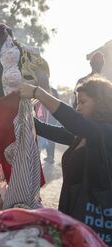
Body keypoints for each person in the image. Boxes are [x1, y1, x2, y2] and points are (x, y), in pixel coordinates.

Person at [16, 77, 112, 226]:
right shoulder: (82, 135)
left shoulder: (105, 132)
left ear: (100, 103)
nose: (78, 107)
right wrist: (21, 112)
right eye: (77, 102)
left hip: (94, 221)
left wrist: (38, 93)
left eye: (83, 102)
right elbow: (46, 129)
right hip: (74, 214)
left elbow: (74, 121)